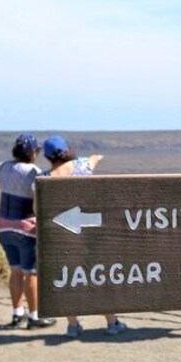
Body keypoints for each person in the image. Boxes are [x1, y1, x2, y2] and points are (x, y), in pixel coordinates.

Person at [41, 135, 126, 338]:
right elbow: (93, 160)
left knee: (69, 279)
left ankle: (72, 325)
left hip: (63, 235)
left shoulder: (45, 177)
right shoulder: (81, 166)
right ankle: (112, 321)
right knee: (99, 276)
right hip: (90, 232)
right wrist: (96, 157)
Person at [0, 134, 56, 330]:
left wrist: (8, 182)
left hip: (3, 226)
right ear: (33, 152)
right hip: (25, 227)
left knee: (15, 271)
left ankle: (18, 313)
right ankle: (34, 316)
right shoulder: (35, 172)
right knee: (30, 273)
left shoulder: (4, 167)